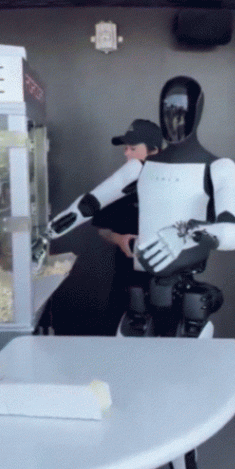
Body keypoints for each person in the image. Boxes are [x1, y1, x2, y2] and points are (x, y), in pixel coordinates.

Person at [36, 76, 235, 469]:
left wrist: (187, 232)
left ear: (198, 111)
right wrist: (47, 232)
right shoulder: (142, 169)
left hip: (185, 302)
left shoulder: (219, 169)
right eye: (167, 107)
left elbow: (234, 232)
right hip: (140, 300)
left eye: (182, 108)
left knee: (178, 414)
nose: (175, 117)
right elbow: (91, 202)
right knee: (123, 401)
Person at [91, 119, 162, 333]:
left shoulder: (176, 185)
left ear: (154, 151)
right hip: (126, 285)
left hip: (165, 285)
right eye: (126, 149)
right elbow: (101, 228)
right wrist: (118, 239)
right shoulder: (119, 185)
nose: (127, 154)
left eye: (133, 148)